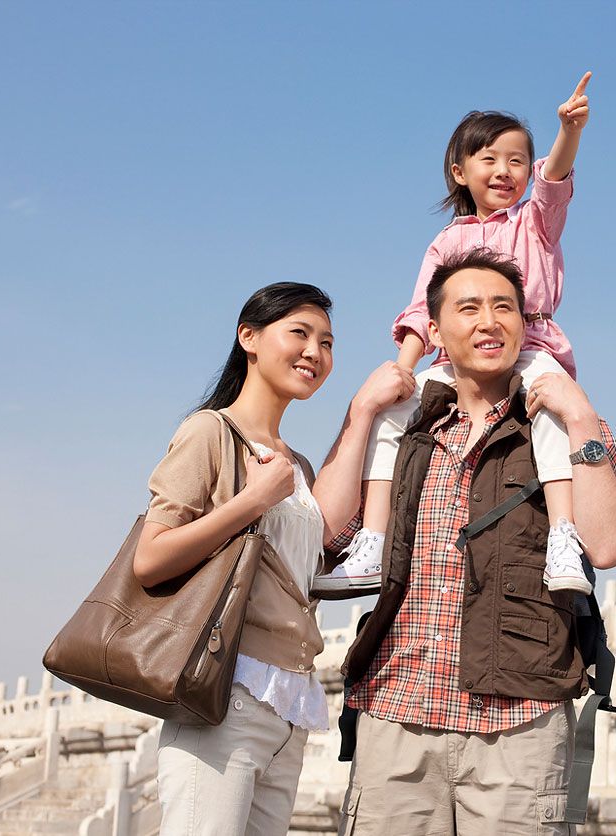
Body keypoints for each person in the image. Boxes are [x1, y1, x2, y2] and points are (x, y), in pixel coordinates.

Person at [326, 248, 616, 835]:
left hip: (519, 722)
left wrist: (584, 420)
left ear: (526, 324)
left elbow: (608, 544)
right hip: (396, 712)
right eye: (469, 308)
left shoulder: (558, 421)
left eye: (504, 307)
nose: (489, 321)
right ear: (435, 330)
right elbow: (330, 532)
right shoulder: (404, 427)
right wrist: (361, 411)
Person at [132, 282, 412, 836]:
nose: (315, 352)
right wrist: (254, 500)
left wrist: (362, 412)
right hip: (223, 694)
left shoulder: (296, 466)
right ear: (249, 338)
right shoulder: (210, 432)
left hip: (288, 704)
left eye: (327, 343)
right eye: (300, 333)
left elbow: (325, 541)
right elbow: (151, 558)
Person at [313, 72, 597, 597]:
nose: (504, 171)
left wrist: (569, 130)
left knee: (556, 412)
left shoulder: (535, 221)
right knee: (392, 412)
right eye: (489, 159)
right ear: (459, 171)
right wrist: (403, 366)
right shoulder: (447, 241)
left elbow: (554, 179)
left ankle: (563, 536)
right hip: (457, 356)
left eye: (516, 160)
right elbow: (424, 308)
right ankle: (372, 539)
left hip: (531, 345)